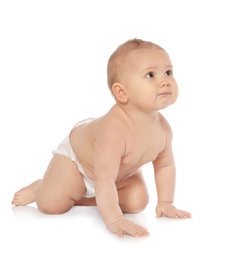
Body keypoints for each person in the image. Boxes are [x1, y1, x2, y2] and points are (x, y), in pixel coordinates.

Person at [11, 38, 191, 237]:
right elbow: (103, 176)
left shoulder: (163, 129)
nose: (165, 81)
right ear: (122, 92)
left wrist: (166, 202)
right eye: (150, 75)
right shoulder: (113, 130)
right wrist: (115, 220)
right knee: (51, 205)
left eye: (168, 72)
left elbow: (165, 165)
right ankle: (39, 188)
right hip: (78, 162)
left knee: (137, 202)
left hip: (117, 173)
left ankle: (88, 197)